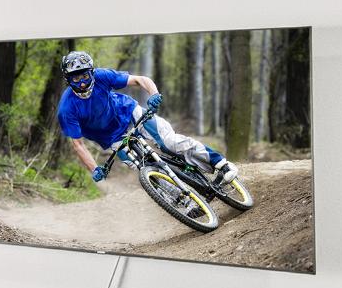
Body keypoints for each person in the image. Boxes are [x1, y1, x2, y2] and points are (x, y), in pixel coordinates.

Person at [55, 50, 242, 192]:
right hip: (113, 139)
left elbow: (140, 79)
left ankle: (222, 165)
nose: (81, 83)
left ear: (92, 72)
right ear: (67, 79)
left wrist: (153, 94)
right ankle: (181, 200)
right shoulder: (66, 109)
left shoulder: (102, 76)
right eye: (75, 78)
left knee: (169, 142)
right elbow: (78, 145)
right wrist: (94, 168)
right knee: (146, 170)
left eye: (85, 76)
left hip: (130, 113)